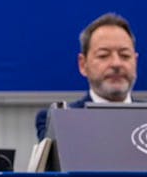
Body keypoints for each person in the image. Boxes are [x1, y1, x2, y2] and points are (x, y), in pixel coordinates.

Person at [34, 12, 139, 140]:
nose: (116, 64)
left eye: (125, 55)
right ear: (83, 64)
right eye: (103, 56)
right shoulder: (59, 120)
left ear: (135, 61)